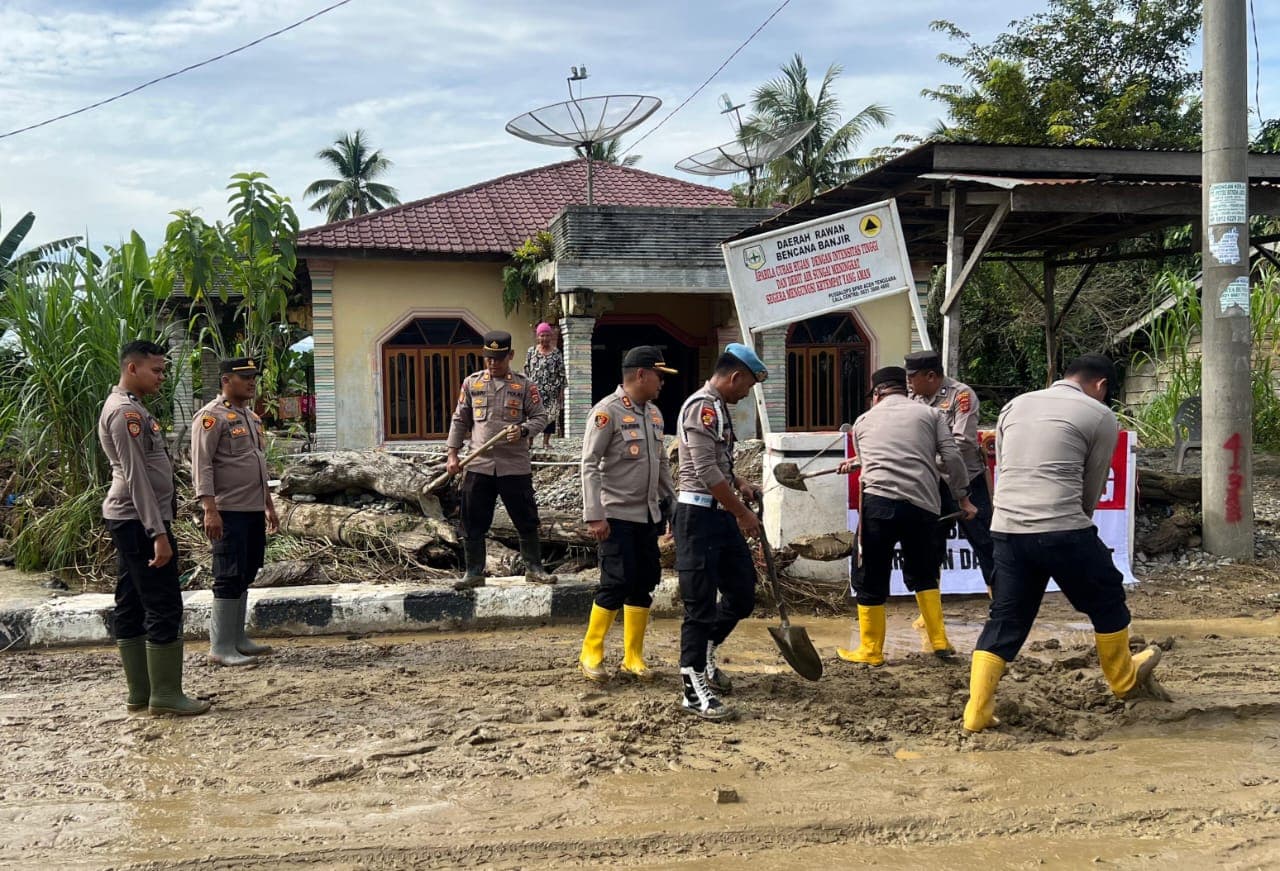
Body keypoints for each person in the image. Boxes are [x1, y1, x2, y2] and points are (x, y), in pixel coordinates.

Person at [964, 354, 1163, 733]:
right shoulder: (1099, 414)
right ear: (1101, 385)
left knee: (1005, 619)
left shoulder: (1013, 406)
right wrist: (1076, 524)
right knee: (1106, 598)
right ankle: (1123, 680)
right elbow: (1093, 481)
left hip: (1007, 530)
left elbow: (1003, 468)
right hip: (1063, 527)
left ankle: (977, 710)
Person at [835, 366, 976, 666]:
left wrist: (856, 463)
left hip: (878, 505)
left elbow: (871, 459)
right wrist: (963, 497)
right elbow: (951, 457)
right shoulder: (932, 415)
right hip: (922, 504)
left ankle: (871, 650)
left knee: (870, 573)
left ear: (877, 394)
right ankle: (938, 640)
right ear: (905, 389)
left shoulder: (862, 422)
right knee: (924, 570)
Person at [98, 340, 210, 716]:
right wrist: (157, 533)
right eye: (156, 370)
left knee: (130, 600)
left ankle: (141, 693)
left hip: (131, 518)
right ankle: (165, 694)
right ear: (133, 369)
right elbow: (135, 477)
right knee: (163, 602)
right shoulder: (124, 414)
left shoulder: (133, 409)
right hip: (138, 519)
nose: (162, 377)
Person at [674, 343, 766, 721]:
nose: (746, 394)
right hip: (698, 518)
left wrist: (740, 483)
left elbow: (718, 465)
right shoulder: (702, 407)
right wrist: (743, 513)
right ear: (735, 377)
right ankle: (692, 689)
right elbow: (705, 471)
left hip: (720, 515)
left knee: (742, 593)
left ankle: (708, 650)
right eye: (746, 387)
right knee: (698, 605)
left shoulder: (718, 408)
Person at [578, 346, 678, 683]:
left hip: (647, 516)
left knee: (644, 582)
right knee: (615, 582)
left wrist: (671, 503)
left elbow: (662, 463)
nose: (661, 383)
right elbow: (589, 464)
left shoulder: (654, 414)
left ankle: (633, 657)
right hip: (616, 515)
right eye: (659, 376)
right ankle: (591, 653)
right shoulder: (607, 413)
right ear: (641, 375)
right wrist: (594, 514)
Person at [447, 330, 554, 591]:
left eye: (499, 359)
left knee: (526, 517)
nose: (493, 364)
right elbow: (460, 419)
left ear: (511, 356)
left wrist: (524, 430)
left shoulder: (525, 386)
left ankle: (534, 568)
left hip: (514, 465)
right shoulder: (472, 384)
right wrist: (452, 453)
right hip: (479, 464)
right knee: (472, 520)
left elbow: (541, 417)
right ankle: (473, 572)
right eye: (488, 359)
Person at [192, 357, 278, 667]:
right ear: (227, 380)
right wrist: (209, 509)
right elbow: (202, 465)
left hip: (252, 507)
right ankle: (220, 646)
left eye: (254, 376)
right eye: (245, 377)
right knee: (227, 574)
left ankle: (237, 638)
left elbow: (257, 464)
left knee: (247, 570)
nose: (252, 382)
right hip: (227, 510)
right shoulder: (210, 418)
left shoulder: (252, 418)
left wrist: (268, 504)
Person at [904, 350, 997, 596]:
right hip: (932, 484)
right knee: (930, 545)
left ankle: (1000, 602)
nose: (909, 383)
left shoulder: (961, 395)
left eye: (912, 377)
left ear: (931, 376)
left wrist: (924, 457)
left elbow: (962, 441)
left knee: (985, 542)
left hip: (966, 479)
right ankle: (929, 612)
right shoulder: (913, 399)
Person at [524, 322, 566, 450]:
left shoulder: (556, 353)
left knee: (550, 416)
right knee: (531, 416)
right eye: (542, 335)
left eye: (547, 335)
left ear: (551, 336)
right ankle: (530, 441)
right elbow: (526, 371)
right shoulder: (531, 352)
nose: (544, 338)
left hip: (551, 392)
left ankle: (546, 442)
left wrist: (561, 393)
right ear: (538, 336)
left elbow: (562, 374)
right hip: (533, 392)